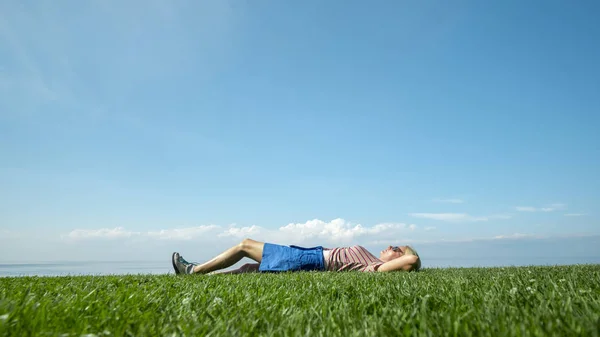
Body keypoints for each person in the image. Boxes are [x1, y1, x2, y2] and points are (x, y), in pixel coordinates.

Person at [171, 238, 421, 275]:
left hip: (310, 261)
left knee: (245, 245)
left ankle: (193, 271)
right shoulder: (372, 261)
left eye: (396, 249)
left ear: (399, 259)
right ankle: (205, 275)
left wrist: (408, 262)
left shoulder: (375, 268)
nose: (391, 247)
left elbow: (411, 262)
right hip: (309, 255)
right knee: (249, 268)